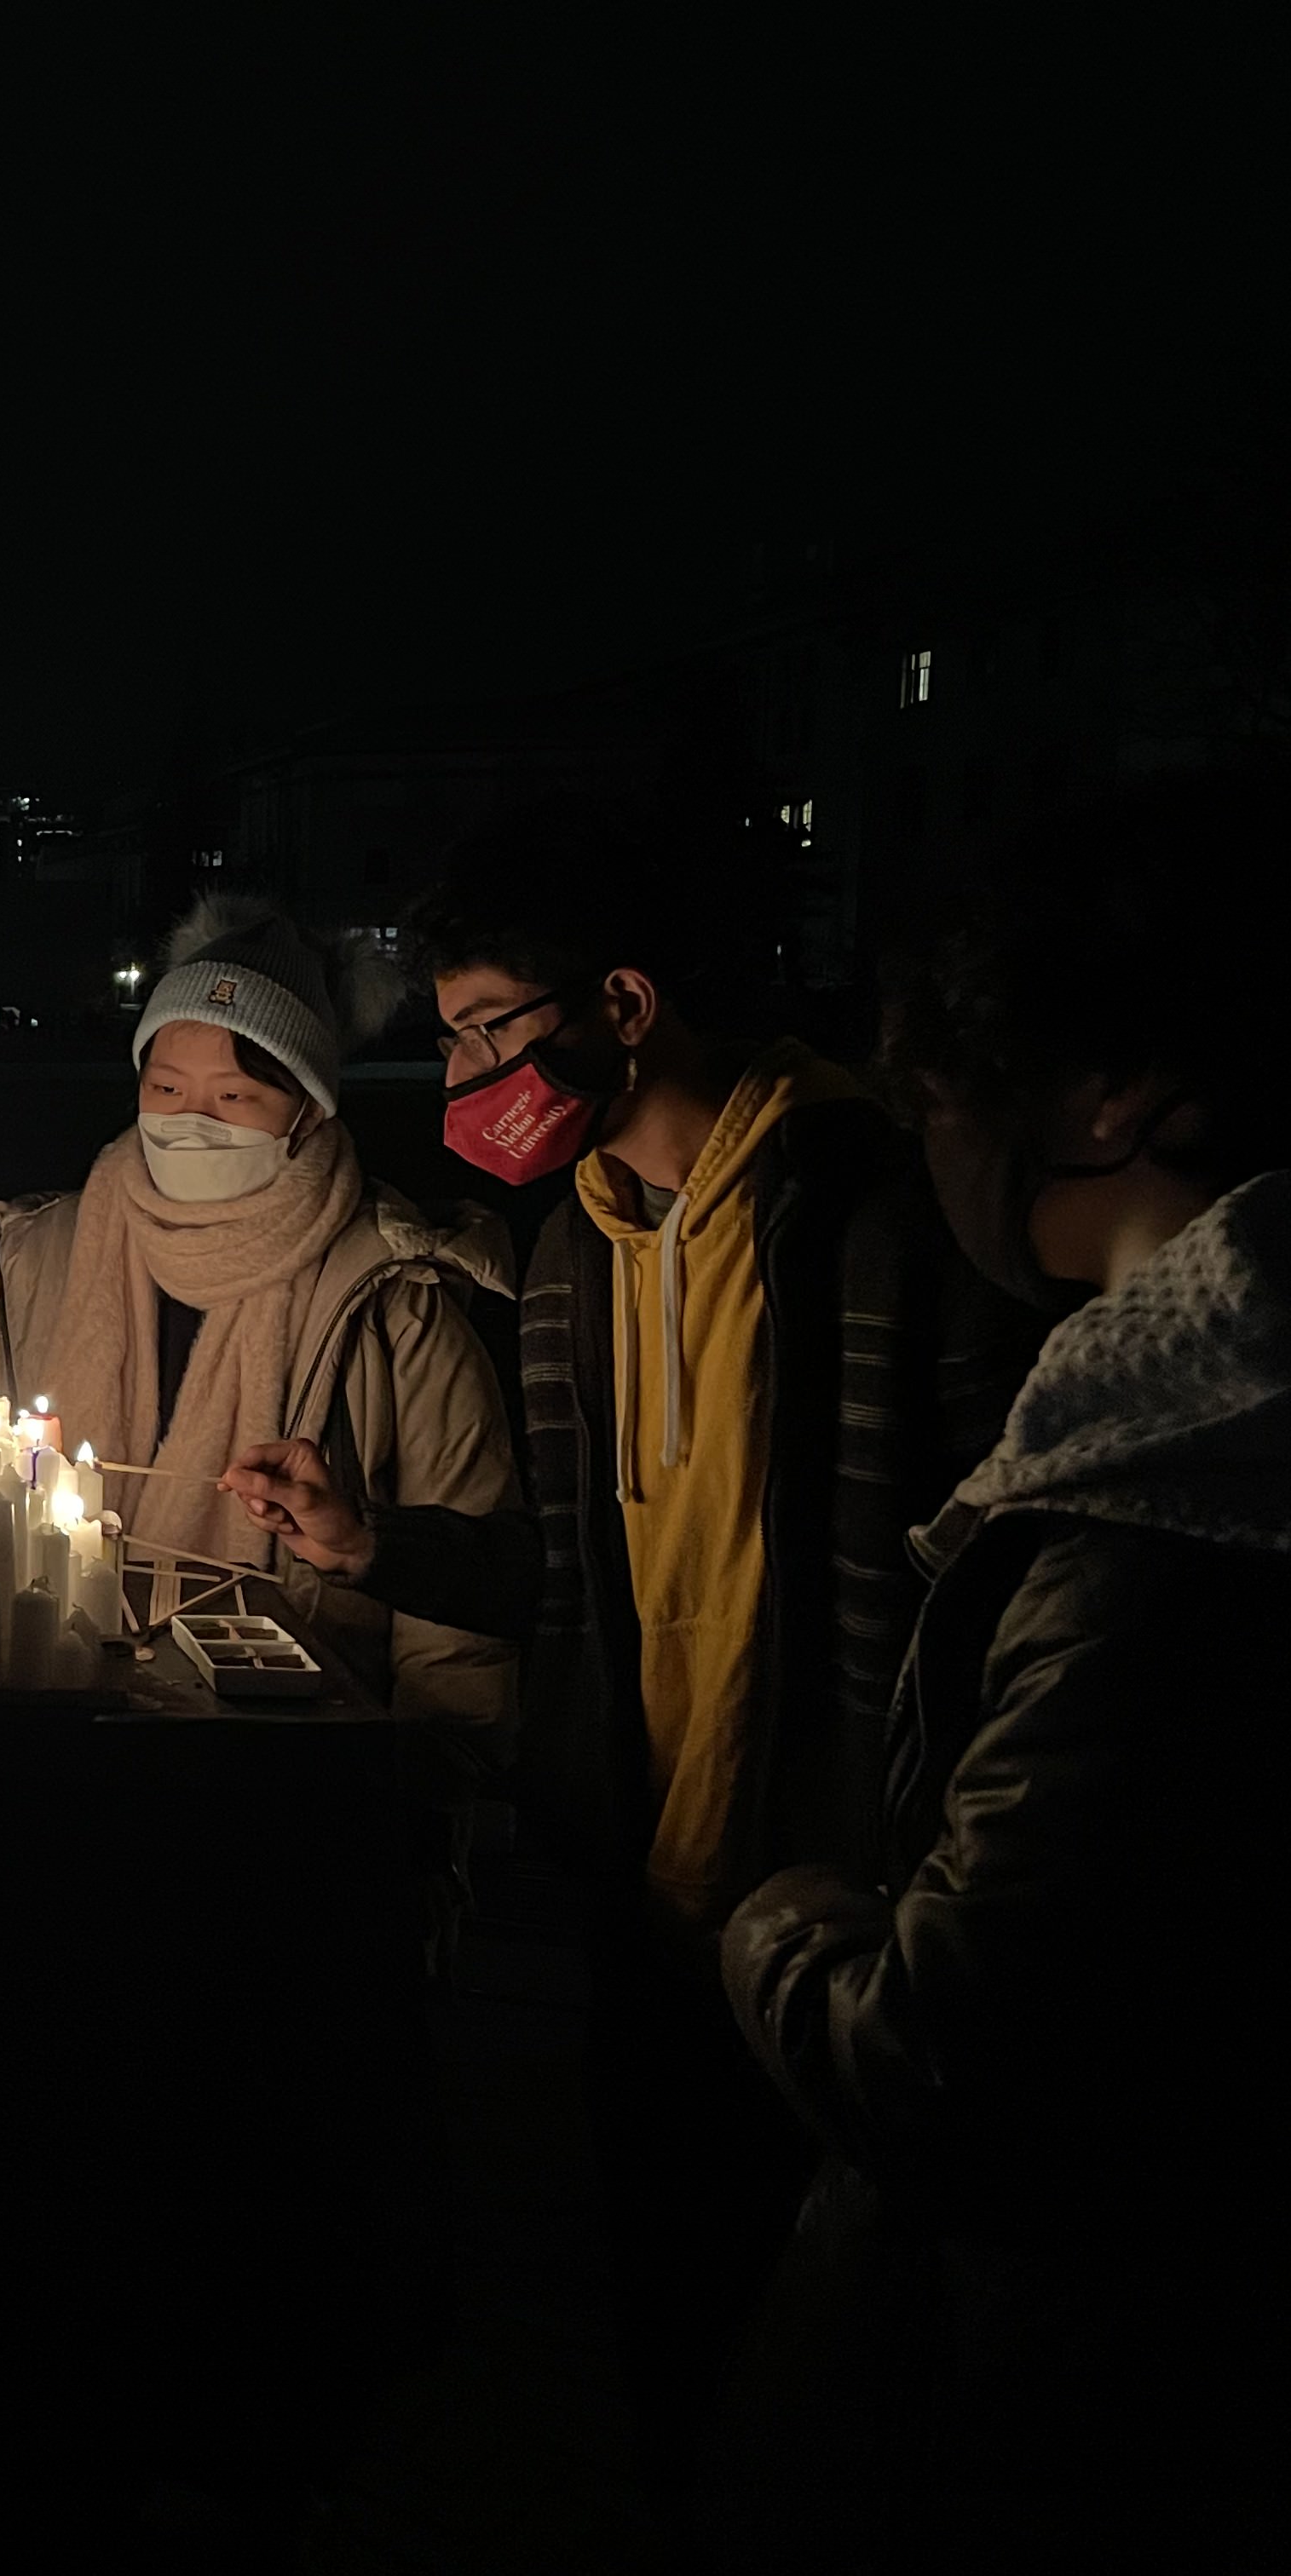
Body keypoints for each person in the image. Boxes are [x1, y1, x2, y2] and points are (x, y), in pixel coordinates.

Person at [219, 799, 1032, 2521]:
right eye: (444, 1043)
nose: (462, 1082)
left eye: (486, 1032)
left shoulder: (873, 1217)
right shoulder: (575, 1242)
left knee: (861, 2390)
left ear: (626, 1006)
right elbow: (569, 1578)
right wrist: (382, 1545)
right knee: (667, 2340)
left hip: (844, 1890)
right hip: (645, 1899)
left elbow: (974, 1574)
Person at [718, 781, 1283, 2562]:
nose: (931, 1153)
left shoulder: (1158, 1509)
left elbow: (943, 2055)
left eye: (943, 1102)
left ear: (1107, 1101)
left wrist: (784, 1919)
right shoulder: (1164, 1442)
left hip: (1093, 2398)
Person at [0, 896, 521, 1734]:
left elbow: (456, 1593)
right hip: (58, 1705)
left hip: (292, 1747)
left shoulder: (395, 1294)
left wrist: (437, 1782)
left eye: (236, 1097)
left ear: (310, 1111)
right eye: (166, 1087)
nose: (190, 1121)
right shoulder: (39, 1256)